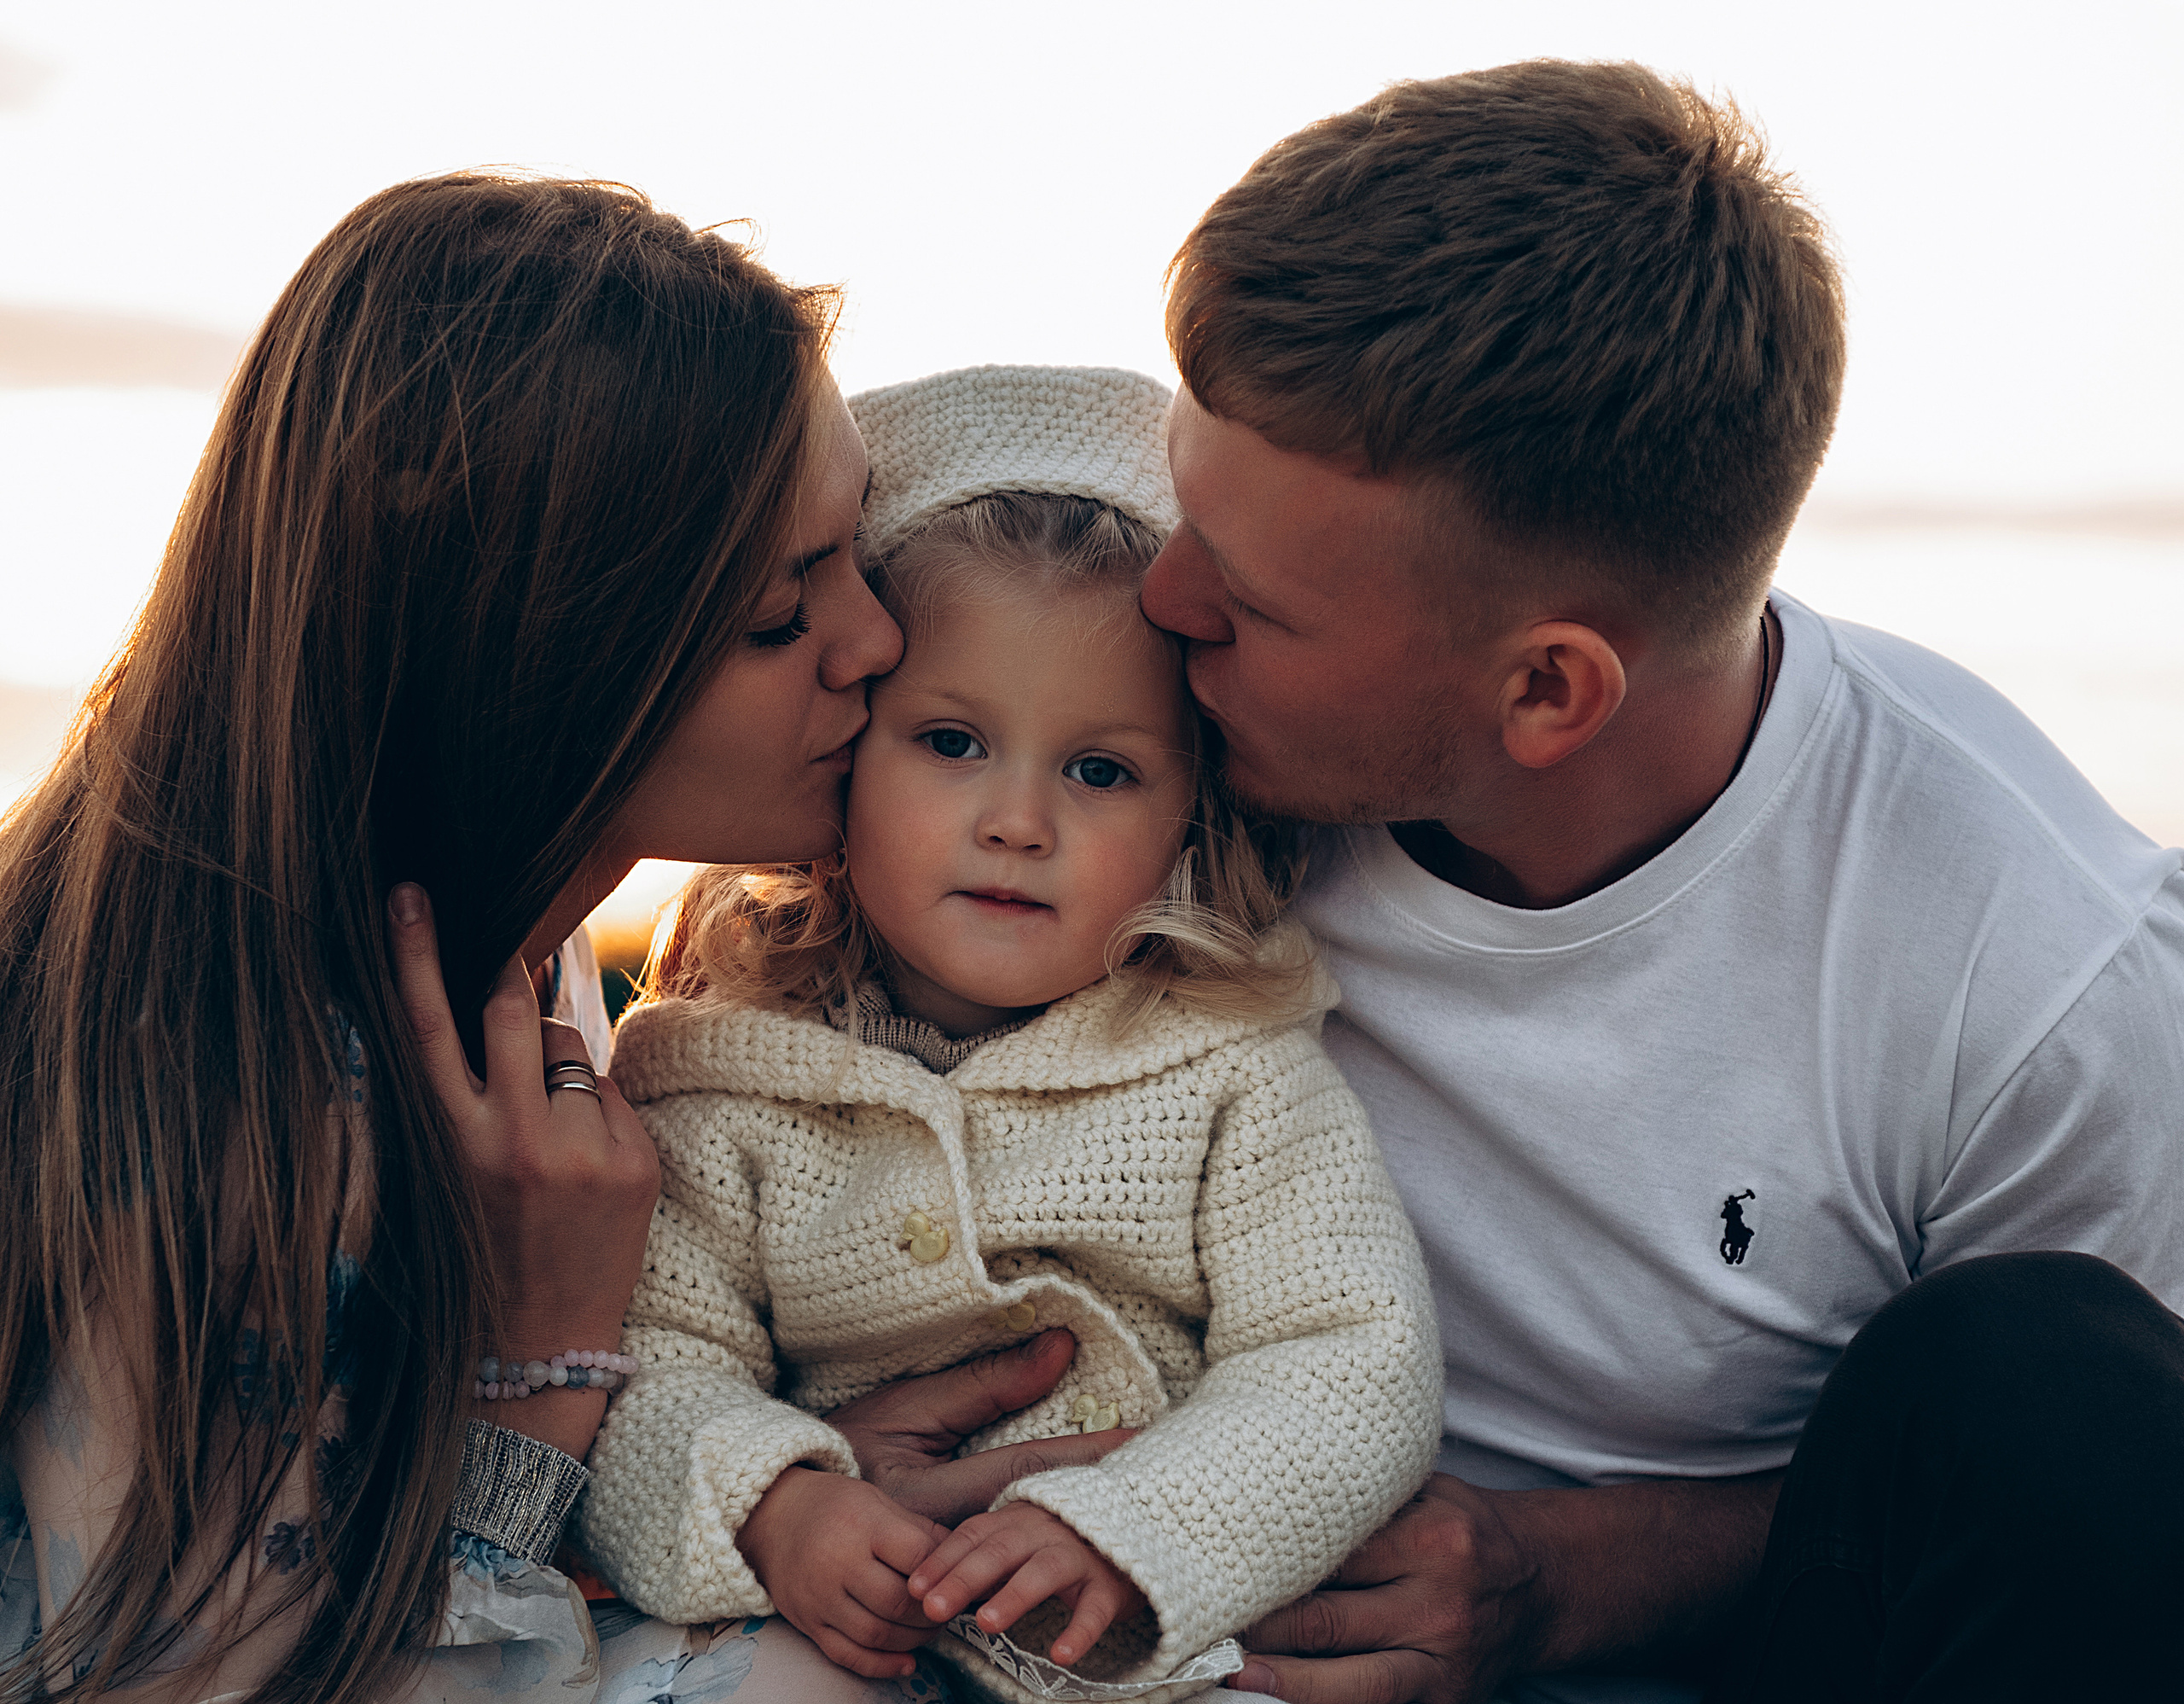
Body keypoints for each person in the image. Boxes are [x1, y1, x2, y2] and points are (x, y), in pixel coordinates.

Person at [1122, 60, 2184, 1703]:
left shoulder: (2038, 975)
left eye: (1247, 602)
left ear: (1548, 692)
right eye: (1178, 505)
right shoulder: (1137, 703)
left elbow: (2066, 1530)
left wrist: (1562, 1579)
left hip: (1719, 1665)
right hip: (1134, 1601)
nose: (1158, 599)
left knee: (2053, 1381)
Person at [0, 172, 1118, 1704]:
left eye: (856, 551)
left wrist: (758, 1486)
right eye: (784, 613)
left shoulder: (514, 975)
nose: (876, 641)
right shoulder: (244, 1112)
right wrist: (537, 1378)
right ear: (547, 660)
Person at [580, 366, 1443, 1703]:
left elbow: (1349, 1355)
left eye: (1099, 770)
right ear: (848, 749)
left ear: (1189, 818)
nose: (1018, 822)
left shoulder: (1229, 1065)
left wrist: (1139, 1529)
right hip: (832, 1637)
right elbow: (649, 1371)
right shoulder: (714, 1078)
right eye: (951, 741)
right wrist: (779, 1505)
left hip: (1153, 1653)